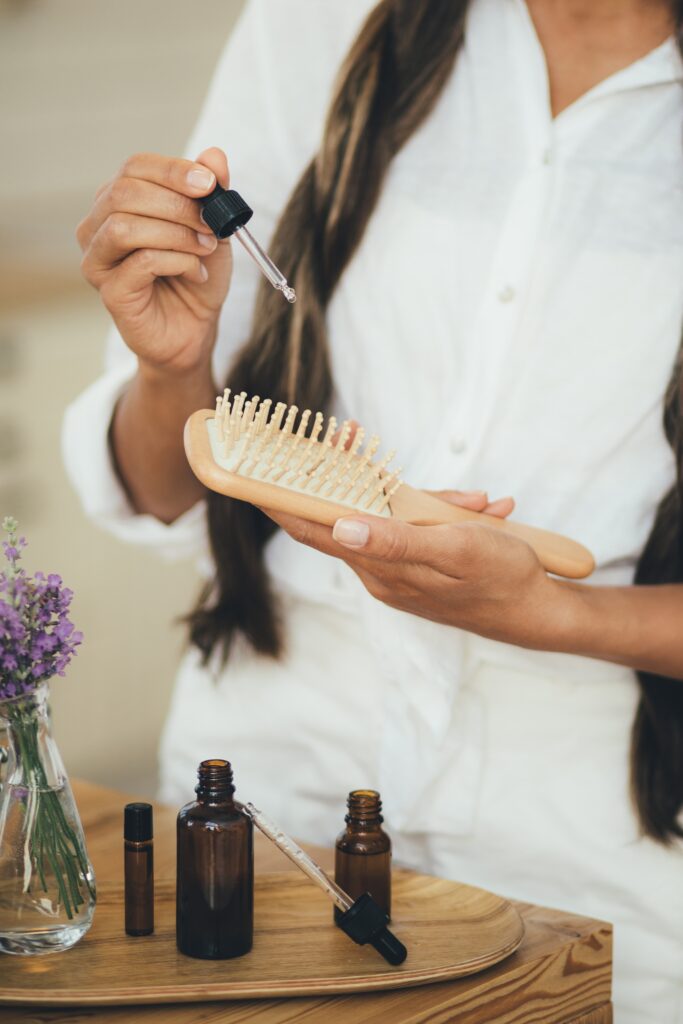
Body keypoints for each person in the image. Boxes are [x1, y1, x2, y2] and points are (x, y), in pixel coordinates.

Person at [65, 1, 683, 1019]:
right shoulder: (317, 24)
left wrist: (557, 614)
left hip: (593, 856)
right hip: (265, 787)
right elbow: (167, 480)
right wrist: (169, 364)